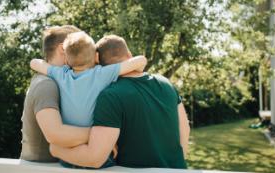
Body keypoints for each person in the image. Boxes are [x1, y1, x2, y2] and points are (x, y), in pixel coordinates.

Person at [50, 35, 190, 169]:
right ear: (129, 54)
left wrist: (56, 150)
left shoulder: (111, 96)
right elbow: (185, 130)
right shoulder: (166, 84)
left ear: (97, 60)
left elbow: (94, 158)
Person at [29, 31, 147, 168]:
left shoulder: (61, 74)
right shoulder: (102, 74)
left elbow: (34, 62)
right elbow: (141, 60)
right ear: (96, 57)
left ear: (67, 60)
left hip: (69, 151)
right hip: (95, 146)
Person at [20, 25, 91, 162]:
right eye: (82, 49)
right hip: (40, 169)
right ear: (63, 49)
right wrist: (103, 135)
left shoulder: (55, 80)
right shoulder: (46, 84)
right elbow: (55, 134)